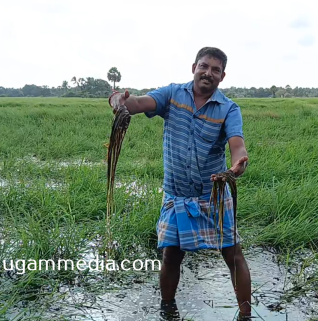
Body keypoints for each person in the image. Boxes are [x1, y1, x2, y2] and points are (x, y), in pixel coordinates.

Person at [108, 47, 252, 319]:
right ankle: (168, 309)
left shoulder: (229, 109)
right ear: (194, 67)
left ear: (222, 77)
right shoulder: (173, 95)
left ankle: (246, 315)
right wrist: (120, 100)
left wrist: (237, 165)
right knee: (171, 255)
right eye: (204, 66)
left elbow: (237, 145)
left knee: (233, 255)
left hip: (214, 194)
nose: (208, 72)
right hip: (177, 195)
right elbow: (139, 103)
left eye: (215, 69)